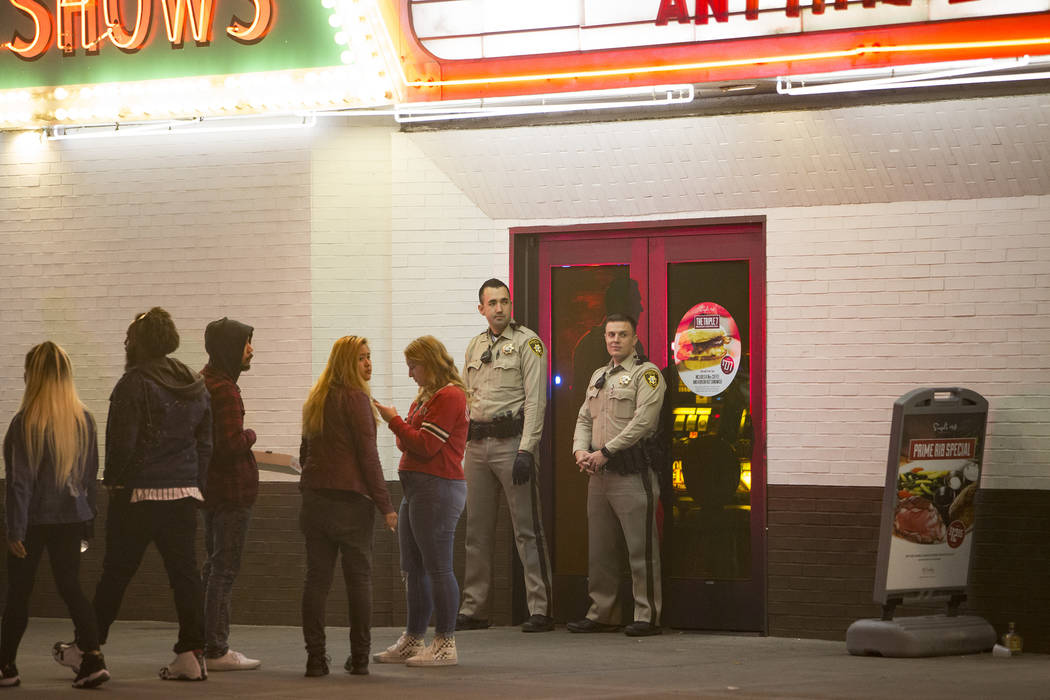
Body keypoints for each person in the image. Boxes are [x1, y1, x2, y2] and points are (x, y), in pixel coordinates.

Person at [54, 307, 213, 681]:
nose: (125, 343)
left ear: (139, 343)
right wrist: (196, 482)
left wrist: (114, 485)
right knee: (186, 577)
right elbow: (206, 443)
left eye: (129, 337)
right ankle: (192, 654)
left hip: (139, 495)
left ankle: (88, 649)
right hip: (185, 494)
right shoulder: (195, 384)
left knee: (115, 576)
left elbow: (122, 445)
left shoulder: (133, 383)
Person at [1, 342, 110, 689]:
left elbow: (20, 483)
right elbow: (91, 476)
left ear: (33, 376)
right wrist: (88, 521)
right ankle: (93, 659)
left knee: (19, 592)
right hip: (71, 518)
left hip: (32, 521)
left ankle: (6, 667)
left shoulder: (25, 423)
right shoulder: (84, 420)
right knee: (72, 588)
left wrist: (14, 529)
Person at [458, 278, 553, 633]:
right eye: (492, 303)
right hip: (477, 446)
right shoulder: (473, 346)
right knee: (476, 532)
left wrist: (528, 449)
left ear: (511, 305)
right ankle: (475, 608)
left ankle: (540, 608)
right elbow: (465, 396)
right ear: (481, 309)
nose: (499, 308)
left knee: (527, 530)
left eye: (504, 302)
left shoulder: (528, 343)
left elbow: (536, 401)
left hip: (512, 444)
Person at [298, 335, 397, 678]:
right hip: (351, 504)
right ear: (345, 363)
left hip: (315, 501)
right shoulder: (356, 399)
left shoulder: (316, 398)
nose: (368, 364)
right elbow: (369, 458)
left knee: (316, 581)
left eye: (369, 357)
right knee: (358, 581)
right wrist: (386, 504)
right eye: (361, 359)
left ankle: (315, 659)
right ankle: (359, 658)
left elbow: (304, 453)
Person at [569, 313, 666, 637]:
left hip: (631, 474)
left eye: (622, 334)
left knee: (641, 550)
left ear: (634, 338)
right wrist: (580, 451)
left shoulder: (646, 375)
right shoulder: (599, 376)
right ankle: (603, 612)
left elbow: (642, 423)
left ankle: (647, 614)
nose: (615, 340)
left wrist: (605, 451)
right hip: (599, 475)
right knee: (600, 549)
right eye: (610, 334)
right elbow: (584, 417)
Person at [374, 336, 469, 667]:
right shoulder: (425, 398)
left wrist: (394, 422)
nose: (411, 374)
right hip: (417, 487)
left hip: (438, 488)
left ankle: (445, 643)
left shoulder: (451, 396)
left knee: (439, 567)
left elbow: (426, 446)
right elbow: (409, 445)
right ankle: (414, 639)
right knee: (413, 567)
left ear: (429, 362)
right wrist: (403, 428)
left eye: (413, 366)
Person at [200, 318, 262, 671]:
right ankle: (217, 649)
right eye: (246, 343)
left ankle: (206, 644)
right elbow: (230, 444)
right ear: (228, 347)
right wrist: (251, 434)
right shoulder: (223, 389)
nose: (251, 349)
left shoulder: (204, 381)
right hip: (231, 493)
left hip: (213, 492)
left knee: (213, 568)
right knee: (223, 570)